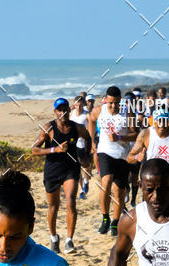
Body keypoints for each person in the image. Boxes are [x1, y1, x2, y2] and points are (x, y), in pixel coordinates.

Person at [32, 97, 91, 254]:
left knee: (71, 201)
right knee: (53, 207)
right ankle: (53, 237)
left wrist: (86, 156)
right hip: (52, 171)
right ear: (55, 112)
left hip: (71, 170)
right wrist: (54, 150)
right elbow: (34, 150)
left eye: (65, 109)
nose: (63, 112)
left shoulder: (77, 128)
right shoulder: (48, 128)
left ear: (69, 110)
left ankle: (69, 241)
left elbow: (88, 138)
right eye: (60, 109)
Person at [88, 85, 137, 236]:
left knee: (119, 191)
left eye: (116, 103)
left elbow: (136, 135)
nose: (113, 106)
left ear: (120, 101)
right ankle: (105, 218)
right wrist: (92, 142)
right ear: (105, 101)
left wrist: (120, 137)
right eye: (110, 103)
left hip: (122, 155)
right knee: (106, 181)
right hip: (104, 152)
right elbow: (90, 120)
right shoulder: (99, 111)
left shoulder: (127, 113)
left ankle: (115, 222)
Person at [127, 110, 169, 198]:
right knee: (152, 211)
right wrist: (137, 157)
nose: (162, 125)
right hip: (151, 183)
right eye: (159, 121)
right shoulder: (146, 134)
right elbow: (129, 157)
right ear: (154, 121)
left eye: (164, 121)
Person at [70, 95, 92, 198]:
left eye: (80, 105)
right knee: (76, 166)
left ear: (83, 105)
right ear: (74, 105)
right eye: (76, 105)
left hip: (84, 143)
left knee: (85, 165)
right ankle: (81, 190)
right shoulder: (71, 114)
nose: (78, 107)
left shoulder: (86, 115)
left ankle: (86, 181)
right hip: (74, 143)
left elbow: (91, 128)